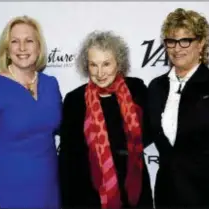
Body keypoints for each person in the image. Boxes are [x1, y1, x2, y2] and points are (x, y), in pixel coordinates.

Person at [147, 8, 209, 208]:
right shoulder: (156, 87)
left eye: (185, 40)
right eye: (171, 41)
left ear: (201, 43)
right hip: (168, 197)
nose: (177, 48)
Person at [0, 15, 62, 208]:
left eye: (29, 41)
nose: (22, 48)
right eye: (15, 41)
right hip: (7, 191)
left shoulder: (50, 84)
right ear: (7, 48)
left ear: (38, 47)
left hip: (49, 190)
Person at [58, 31, 153, 209]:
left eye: (106, 64)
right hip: (89, 195)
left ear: (119, 63)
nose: (100, 73)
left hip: (134, 191)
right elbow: (67, 158)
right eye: (94, 65)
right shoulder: (74, 100)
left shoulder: (136, 90)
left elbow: (148, 132)